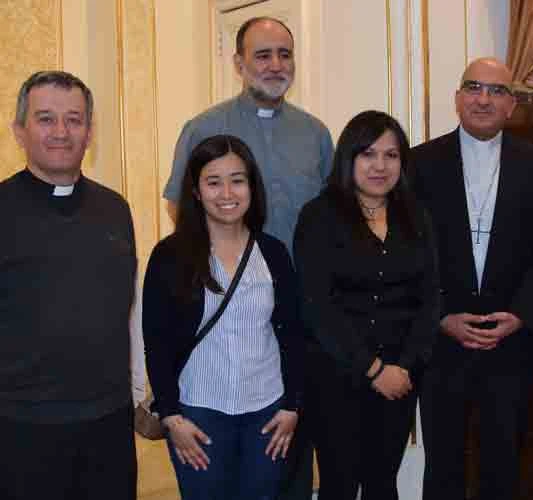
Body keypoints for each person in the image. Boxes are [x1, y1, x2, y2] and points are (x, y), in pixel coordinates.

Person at [162, 16, 332, 498]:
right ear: (238, 63)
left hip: (296, 322)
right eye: (263, 55)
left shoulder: (315, 134)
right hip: (223, 322)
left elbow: (330, 219)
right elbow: (180, 209)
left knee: (288, 458)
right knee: (218, 465)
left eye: (285, 54)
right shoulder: (203, 128)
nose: (276, 65)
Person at [412, 57, 533, 500]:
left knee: (504, 462)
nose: (483, 99)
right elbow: (411, 256)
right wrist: (441, 316)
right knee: (443, 465)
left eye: (497, 91)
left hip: (508, 342)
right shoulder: (420, 162)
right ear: (457, 98)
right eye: (474, 88)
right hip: (443, 341)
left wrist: (520, 315)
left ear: (511, 105)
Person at [0, 70, 137, 499]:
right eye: (45, 119)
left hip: (109, 423)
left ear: (89, 132)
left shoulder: (116, 209)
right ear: (19, 130)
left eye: (74, 120)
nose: (61, 132)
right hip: (21, 426)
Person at [143, 134, 303, 500]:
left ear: (252, 187)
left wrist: (292, 406)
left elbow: (293, 335)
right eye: (213, 182)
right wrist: (171, 417)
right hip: (197, 414)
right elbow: (157, 342)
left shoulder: (273, 253)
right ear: (196, 191)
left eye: (237, 180)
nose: (227, 193)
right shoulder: (170, 256)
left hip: (267, 413)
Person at [294, 110, 439, 500]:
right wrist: (372, 369)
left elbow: (429, 299)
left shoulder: (416, 216)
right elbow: (317, 305)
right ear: (349, 157)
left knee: (382, 484)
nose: (380, 166)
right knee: (339, 486)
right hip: (336, 376)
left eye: (391, 155)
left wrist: (405, 366)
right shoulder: (319, 216)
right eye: (368, 154)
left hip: (399, 377)